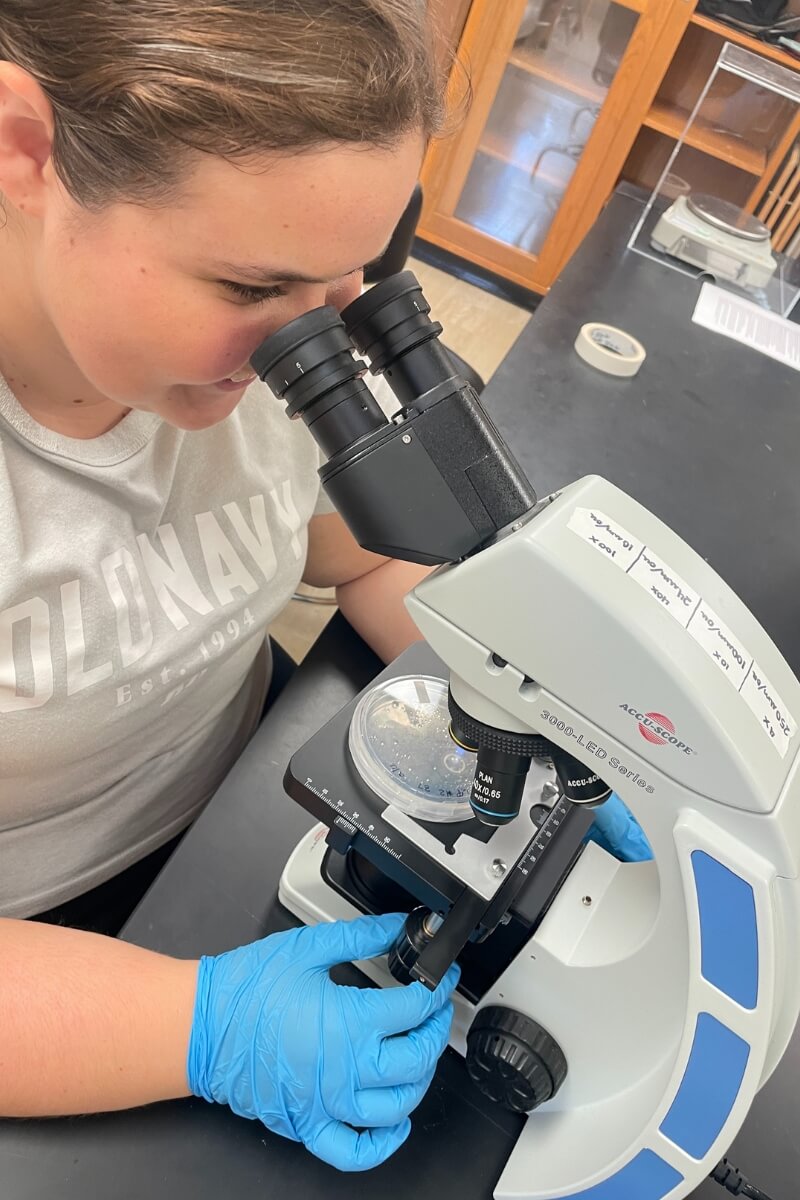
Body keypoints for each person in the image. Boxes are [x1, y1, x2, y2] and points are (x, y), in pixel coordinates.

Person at [0, 0, 461, 1172]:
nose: (312, 344)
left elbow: (363, 552)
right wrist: (205, 1029)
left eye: (354, 271)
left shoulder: (259, 362)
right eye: (252, 287)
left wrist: (519, 697)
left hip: (247, 815)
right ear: (24, 149)